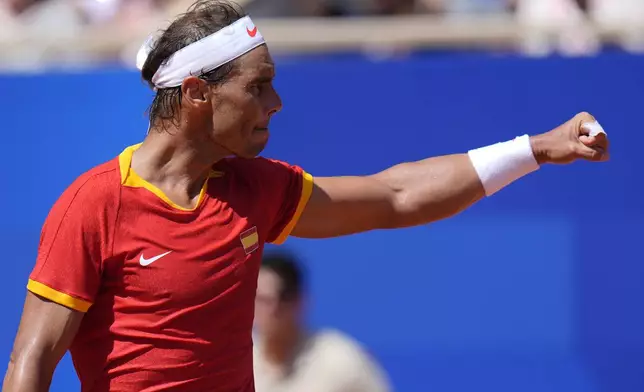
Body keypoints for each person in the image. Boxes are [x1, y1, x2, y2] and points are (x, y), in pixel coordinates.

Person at [2, 0, 609, 391]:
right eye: (258, 87)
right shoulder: (94, 204)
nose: (276, 104)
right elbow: (31, 362)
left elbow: (395, 195)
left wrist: (536, 148)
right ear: (196, 95)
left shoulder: (252, 189)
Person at [253, 252, 391, 392]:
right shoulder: (235, 360)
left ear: (299, 301)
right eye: (261, 300)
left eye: (281, 299)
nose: (271, 310)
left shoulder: (341, 362)